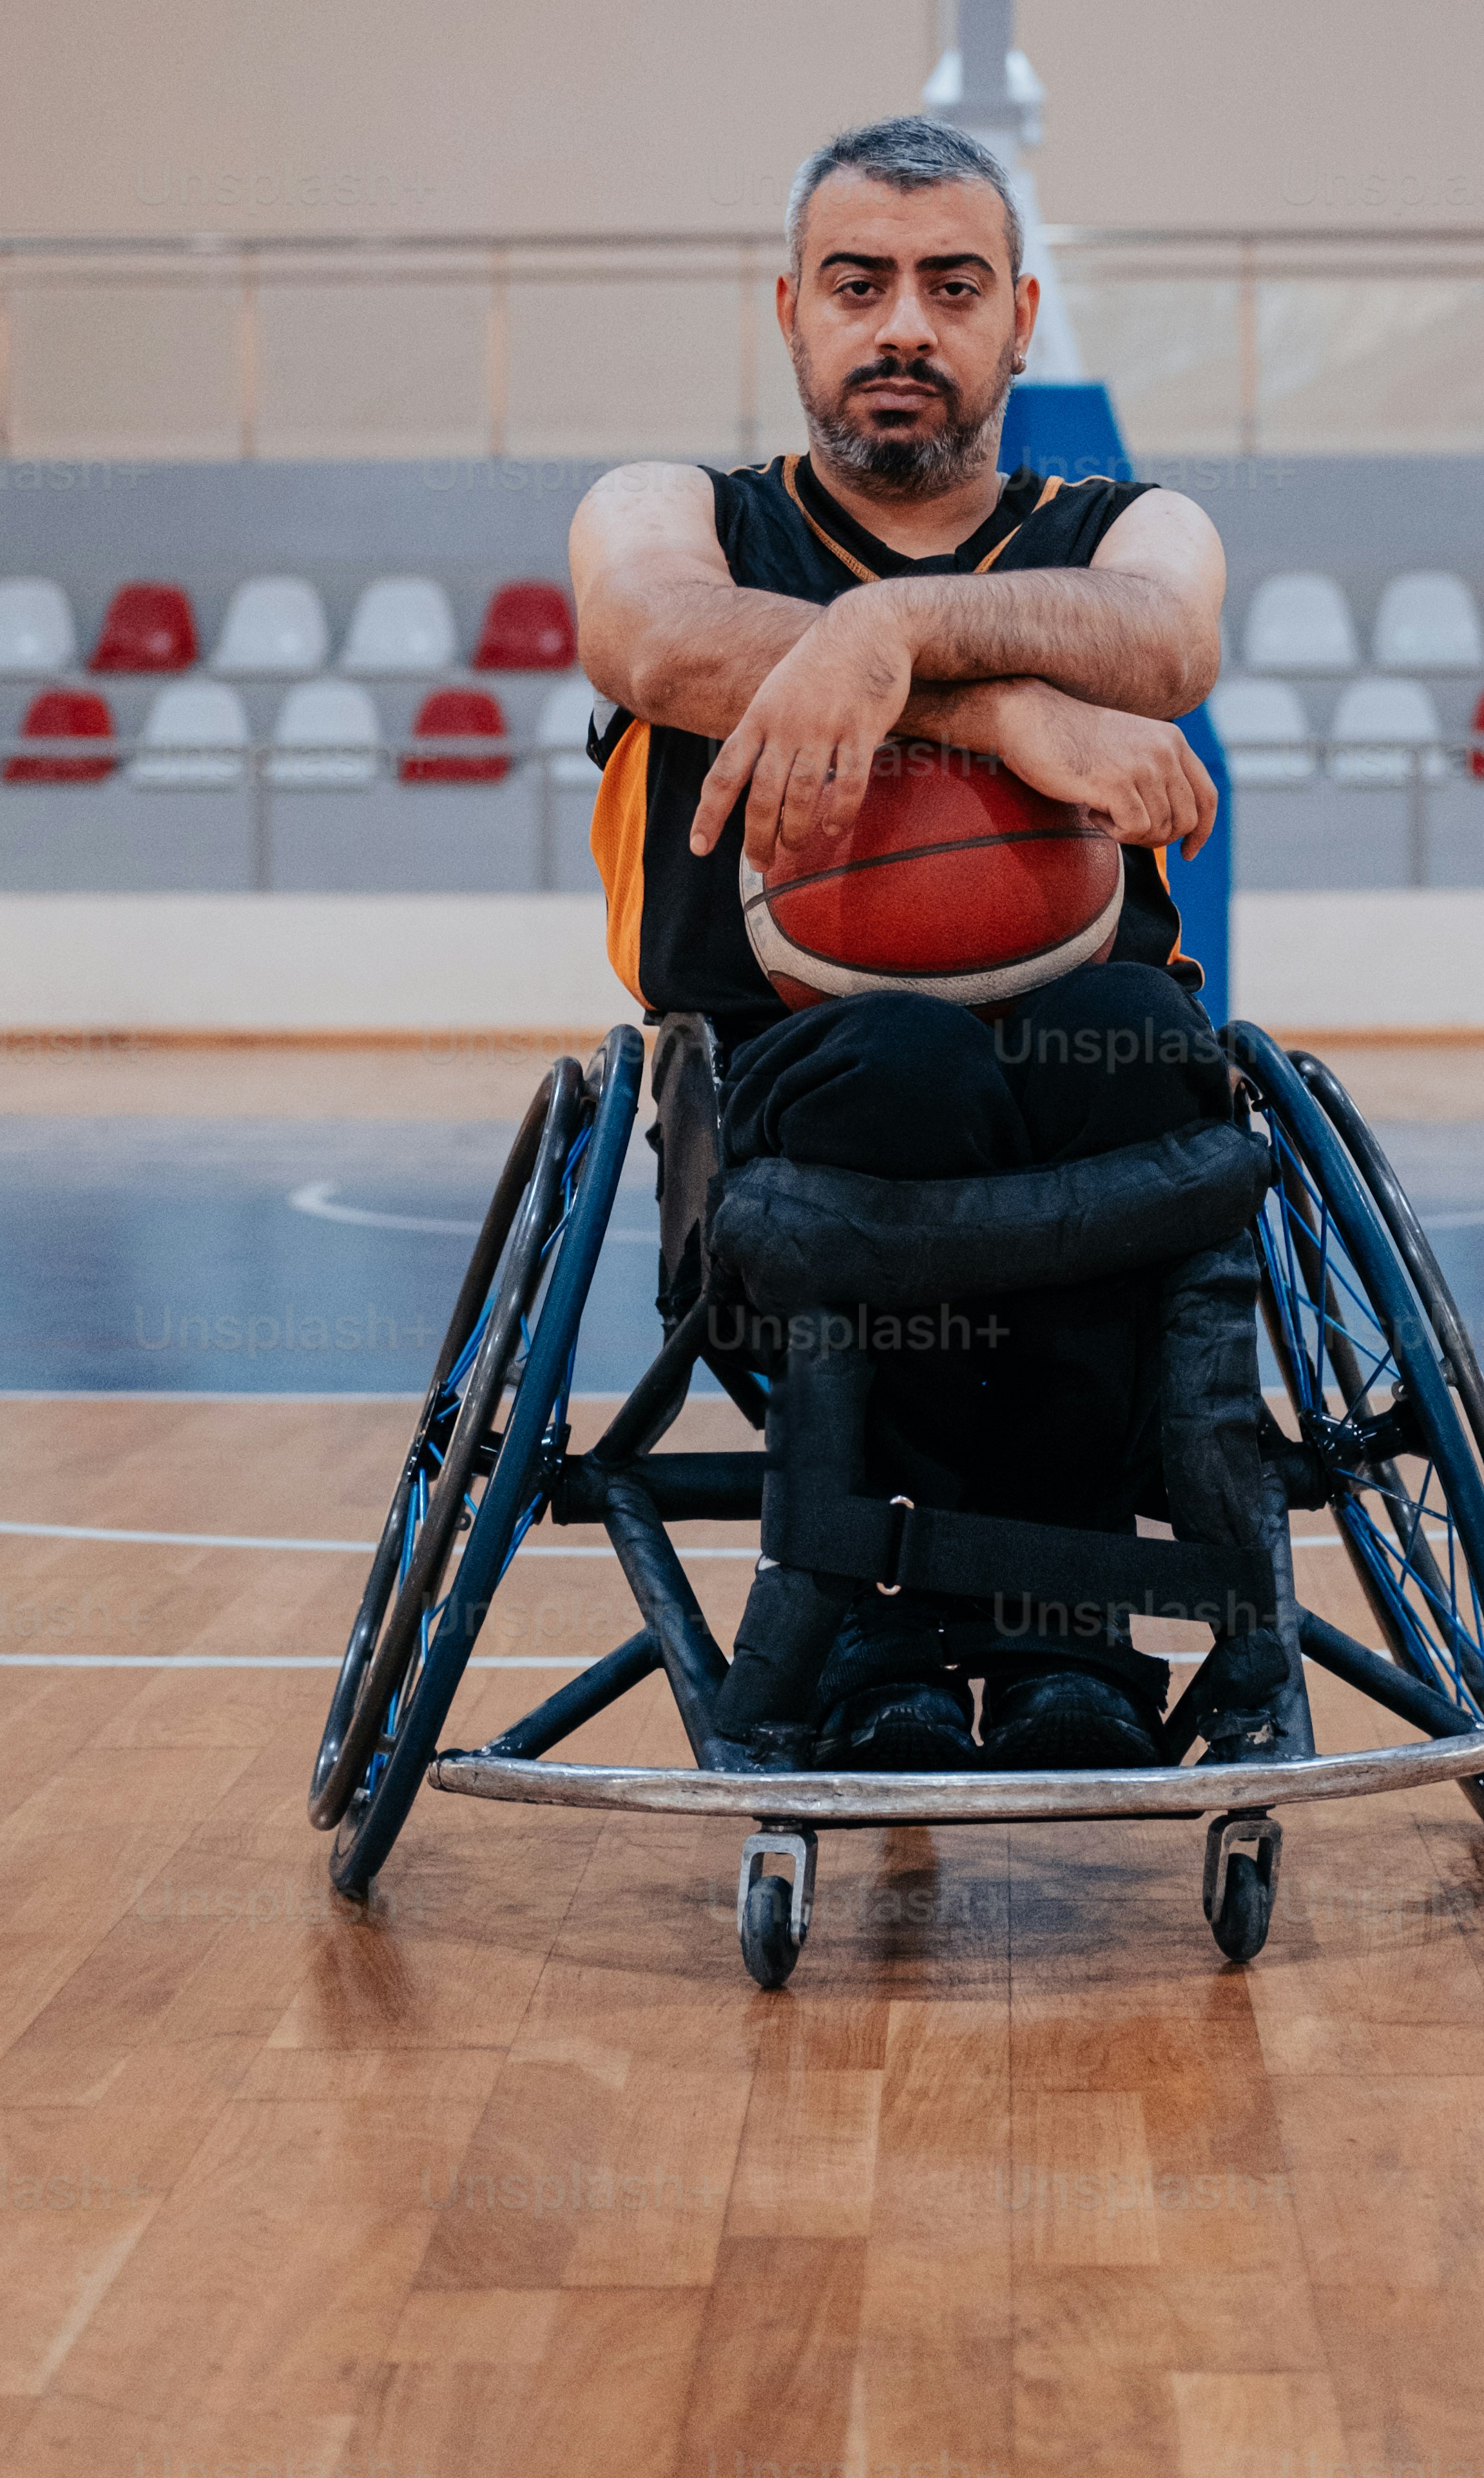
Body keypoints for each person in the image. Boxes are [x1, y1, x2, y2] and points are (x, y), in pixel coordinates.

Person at [568, 113, 1236, 1770]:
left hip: (1091, 1085)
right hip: (785, 1097)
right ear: (787, 310)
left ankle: (1066, 1634)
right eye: (857, 285)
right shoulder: (679, 512)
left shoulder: (1127, 525)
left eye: (950, 288)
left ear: (1018, 318)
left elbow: (1164, 641)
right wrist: (1009, 706)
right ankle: (892, 1616)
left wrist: (896, 628)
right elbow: (654, 637)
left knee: (1148, 1041)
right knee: (909, 1054)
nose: (903, 329)